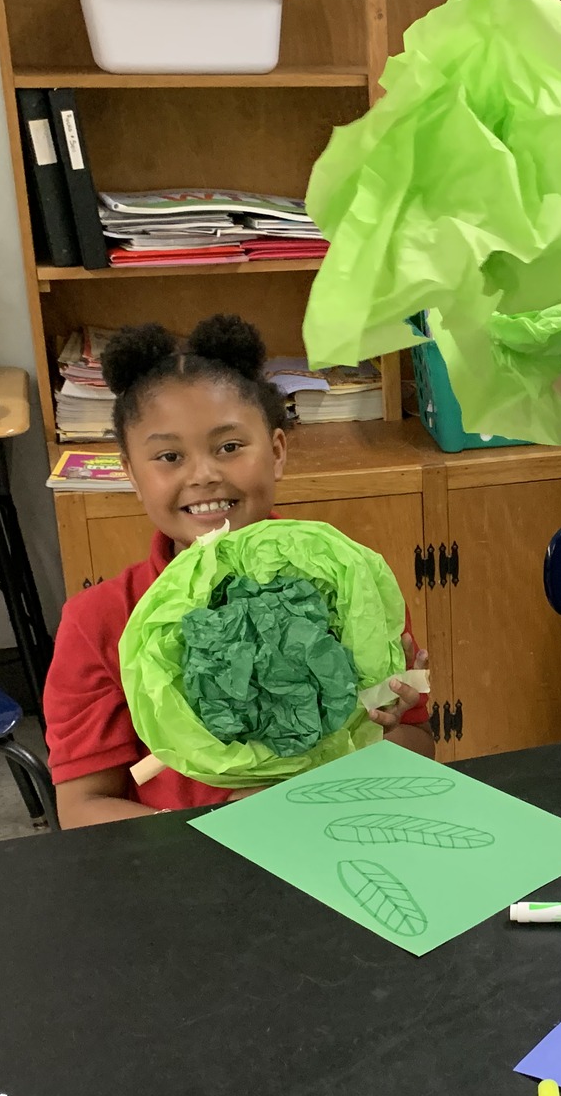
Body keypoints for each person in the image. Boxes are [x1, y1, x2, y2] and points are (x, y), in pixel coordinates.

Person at [45, 314, 431, 829]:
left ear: (275, 452)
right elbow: (81, 810)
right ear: (132, 475)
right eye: (169, 456)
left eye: (229, 447)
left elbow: (420, 747)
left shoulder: (346, 584)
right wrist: (219, 827)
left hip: (347, 840)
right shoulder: (98, 622)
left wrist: (386, 728)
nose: (203, 474)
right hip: (193, 873)